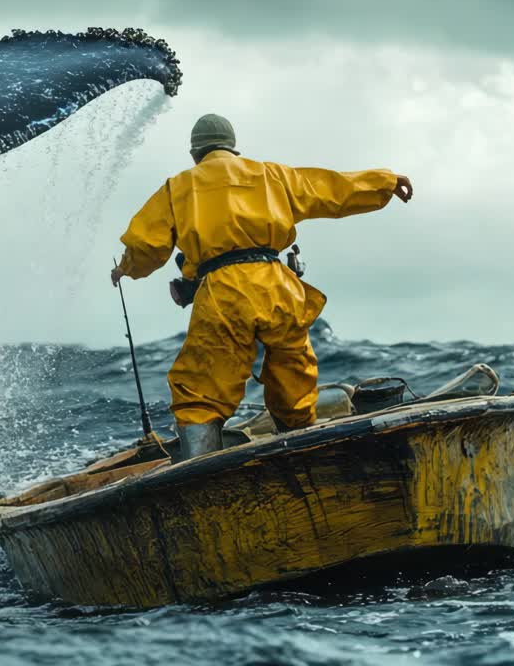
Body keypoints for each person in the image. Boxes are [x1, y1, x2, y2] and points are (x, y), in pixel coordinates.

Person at [110, 114, 412, 461]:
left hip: (222, 293)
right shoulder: (271, 175)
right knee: (293, 376)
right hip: (276, 287)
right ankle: (303, 453)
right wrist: (385, 182)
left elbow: (147, 246)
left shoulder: (177, 187)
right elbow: (332, 189)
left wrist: (125, 269)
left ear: (195, 154)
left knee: (200, 389)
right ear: (233, 148)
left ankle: (199, 464)